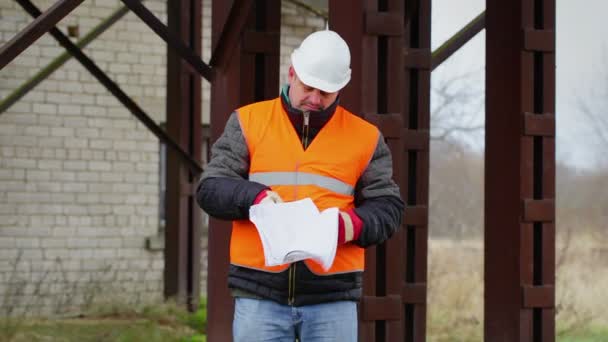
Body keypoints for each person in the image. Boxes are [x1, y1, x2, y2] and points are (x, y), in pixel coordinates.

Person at [196, 30, 404, 342]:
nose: (315, 99)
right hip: (259, 294)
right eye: (309, 87)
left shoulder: (365, 137)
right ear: (292, 73)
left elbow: (388, 207)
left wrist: (351, 225)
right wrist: (256, 196)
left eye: (327, 92)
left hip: (333, 297)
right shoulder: (248, 122)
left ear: (340, 88)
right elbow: (210, 189)